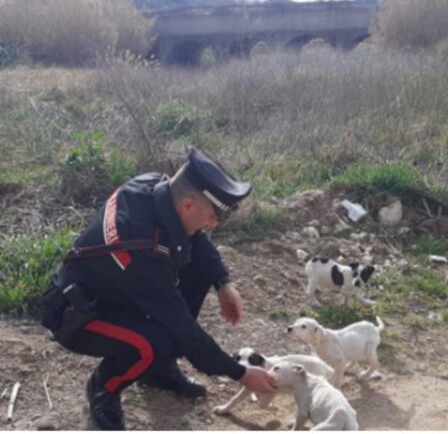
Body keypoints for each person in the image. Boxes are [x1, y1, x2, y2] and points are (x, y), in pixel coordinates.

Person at [41, 146, 278, 430]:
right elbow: (184, 329)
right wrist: (240, 373)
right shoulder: (142, 252)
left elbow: (196, 240)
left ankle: (157, 371)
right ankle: (104, 389)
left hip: (118, 291)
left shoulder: (153, 186)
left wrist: (223, 282)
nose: (213, 224)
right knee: (155, 343)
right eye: (214, 216)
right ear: (188, 205)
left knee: (199, 270)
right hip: (80, 314)